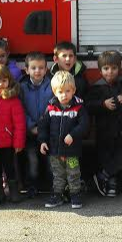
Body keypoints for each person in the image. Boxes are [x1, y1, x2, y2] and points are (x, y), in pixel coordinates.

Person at [87, 50, 122, 198]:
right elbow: (88, 106)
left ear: (119, 68)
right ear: (100, 70)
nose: (110, 72)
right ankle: (111, 183)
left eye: (114, 68)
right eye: (106, 68)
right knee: (106, 158)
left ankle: (102, 175)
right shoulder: (96, 88)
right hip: (104, 133)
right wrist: (102, 104)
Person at [39, 71, 89, 209]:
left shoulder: (78, 107)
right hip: (54, 151)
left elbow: (84, 125)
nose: (64, 95)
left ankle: (75, 194)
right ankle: (57, 195)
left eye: (67, 91)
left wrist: (72, 135)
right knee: (58, 175)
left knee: (73, 173)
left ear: (73, 90)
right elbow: (43, 125)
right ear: (54, 92)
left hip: (72, 151)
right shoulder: (50, 108)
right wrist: (43, 141)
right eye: (60, 91)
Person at [0, 65, 26, 204]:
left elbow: (19, 124)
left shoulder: (14, 101)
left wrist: (18, 143)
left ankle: (14, 190)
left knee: (10, 168)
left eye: (4, 80)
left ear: (9, 81)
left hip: (8, 143)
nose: (1, 84)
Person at [19, 51, 52, 196]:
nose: (37, 71)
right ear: (26, 70)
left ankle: (54, 187)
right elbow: (21, 109)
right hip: (30, 133)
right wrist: (31, 126)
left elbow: (52, 107)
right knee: (32, 161)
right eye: (33, 68)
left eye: (41, 67)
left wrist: (43, 127)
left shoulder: (52, 86)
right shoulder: (22, 88)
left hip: (49, 133)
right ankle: (32, 186)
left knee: (51, 161)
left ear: (46, 69)